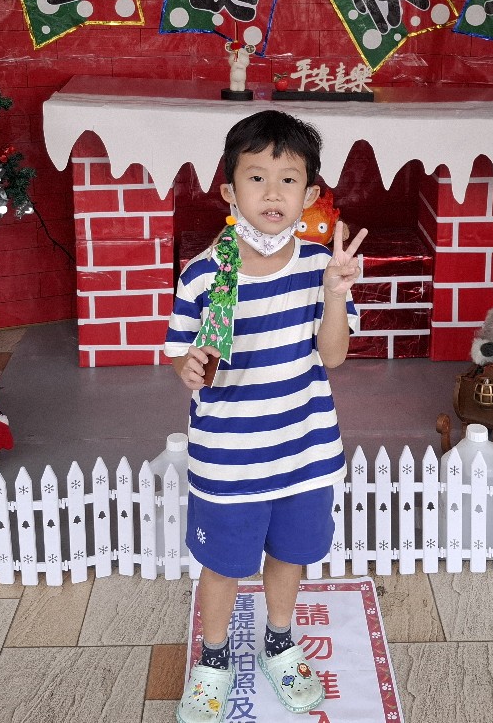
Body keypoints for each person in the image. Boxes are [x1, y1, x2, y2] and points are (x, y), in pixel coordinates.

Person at [164, 109, 366, 723]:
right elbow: (181, 353)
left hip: (304, 451)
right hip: (228, 458)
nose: (273, 193)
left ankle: (279, 641)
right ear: (230, 192)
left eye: (288, 179)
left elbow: (333, 356)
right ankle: (214, 657)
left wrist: (335, 294)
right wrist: (188, 368)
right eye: (256, 177)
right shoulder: (205, 274)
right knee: (223, 566)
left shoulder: (319, 267)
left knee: (290, 554)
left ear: (310, 194)